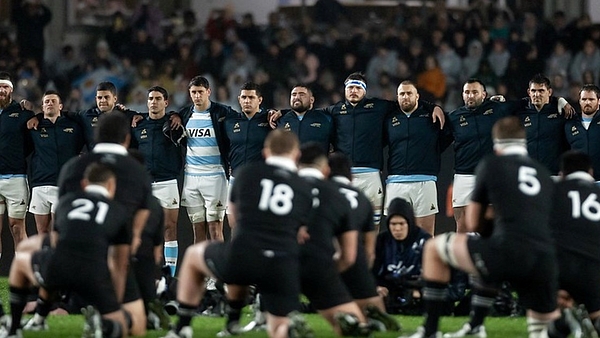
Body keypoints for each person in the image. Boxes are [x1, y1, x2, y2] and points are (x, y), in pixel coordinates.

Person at [402, 116, 559, 338]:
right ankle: (476, 325)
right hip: (544, 260)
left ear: (496, 144)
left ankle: (430, 330)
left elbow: (473, 222)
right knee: (541, 331)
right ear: (524, 143)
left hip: (506, 252)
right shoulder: (543, 172)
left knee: (435, 249)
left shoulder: (491, 164)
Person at [162, 130, 314, 338]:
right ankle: (276, 327)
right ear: (296, 155)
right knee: (278, 326)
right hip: (282, 265)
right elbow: (304, 233)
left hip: (244, 256)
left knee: (194, 256)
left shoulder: (247, 174)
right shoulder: (305, 187)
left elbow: (235, 220)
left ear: (266, 153)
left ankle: (184, 327)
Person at [1, 163, 132, 338]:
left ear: (84, 184)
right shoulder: (119, 211)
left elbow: (54, 245)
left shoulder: (67, 203)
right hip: (95, 277)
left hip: (59, 272)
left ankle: (15, 328)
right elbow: (120, 262)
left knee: (23, 260)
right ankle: (103, 324)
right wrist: (113, 300)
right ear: (111, 185)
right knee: (125, 326)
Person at [58, 113, 153, 335]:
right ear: (127, 139)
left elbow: (59, 220)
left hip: (70, 261)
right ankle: (108, 319)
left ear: (95, 136)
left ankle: (37, 311)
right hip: (113, 261)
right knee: (136, 327)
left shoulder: (73, 167)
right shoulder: (137, 172)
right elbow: (136, 233)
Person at [296, 143, 371, 336]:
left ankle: (259, 314)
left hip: (277, 264)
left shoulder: (279, 186)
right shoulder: (338, 196)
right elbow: (349, 256)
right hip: (319, 264)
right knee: (359, 324)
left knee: (277, 317)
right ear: (325, 169)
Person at [329, 152, 401, 332]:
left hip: (321, 256)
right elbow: (370, 250)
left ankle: (273, 313)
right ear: (350, 175)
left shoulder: (323, 191)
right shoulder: (362, 199)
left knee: (321, 295)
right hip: (355, 257)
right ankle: (375, 314)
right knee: (368, 297)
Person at [444, 79, 516, 232]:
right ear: (463, 95)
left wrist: (559, 101)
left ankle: (491, 256)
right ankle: (463, 256)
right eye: (467, 92)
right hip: (463, 176)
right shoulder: (454, 118)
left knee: (492, 224)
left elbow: (524, 105)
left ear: (484, 94)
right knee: (462, 227)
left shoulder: (497, 109)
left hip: (490, 173)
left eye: (475, 92)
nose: (470, 95)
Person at [545, 151, 600, 338]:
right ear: (591, 172)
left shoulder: (552, 192)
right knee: (595, 312)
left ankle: (565, 321)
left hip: (561, 268)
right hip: (595, 268)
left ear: (562, 174)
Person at [384, 81, 449, 235]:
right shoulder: (388, 118)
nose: (405, 97)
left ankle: (425, 260)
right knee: (396, 233)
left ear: (417, 96)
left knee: (426, 233)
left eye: (409, 93)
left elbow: (447, 138)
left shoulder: (430, 117)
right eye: (402, 94)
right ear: (397, 97)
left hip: (425, 181)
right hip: (395, 182)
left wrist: (434, 107)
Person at [131, 86, 183, 275]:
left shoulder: (175, 123)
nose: (154, 102)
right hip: (145, 184)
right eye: (151, 98)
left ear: (166, 102)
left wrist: (177, 115)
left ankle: (170, 275)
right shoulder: (138, 125)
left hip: (167, 181)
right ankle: (147, 272)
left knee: (170, 228)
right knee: (143, 229)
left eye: (158, 98)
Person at [178, 76, 232, 243]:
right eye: (193, 92)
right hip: (191, 177)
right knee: (197, 230)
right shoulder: (184, 114)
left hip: (215, 176)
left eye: (200, 92)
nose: (197, 96)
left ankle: (218, 267)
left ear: (208, 92)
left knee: (215, 229)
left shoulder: (222, 113)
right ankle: (200, 269)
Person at [28, 90, 84, 234]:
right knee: (42, 231)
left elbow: (79, 149)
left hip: (62, 185)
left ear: (61, 106)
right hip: (40, 184)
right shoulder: (34, 127)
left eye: (53, 101)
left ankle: (59, 257)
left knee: (58, 230)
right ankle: (44, 257)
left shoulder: (74, 126)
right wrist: (37, 117)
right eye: (47, 101)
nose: (50, 103)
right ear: (42, 107)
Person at [373, 198, 431, 314]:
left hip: (417, 289)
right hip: (389, 289)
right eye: (393, 224)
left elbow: (433, 275)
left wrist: (420, 290)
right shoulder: (382, 240)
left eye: (401, 224)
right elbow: (372, 271)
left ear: (409, 223)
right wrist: (376, 287)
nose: (397, 229)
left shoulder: (425, 240)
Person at [0, 72, 35, 255]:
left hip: (15, 177)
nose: (1, 90)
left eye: (5, 87)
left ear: (11, 90)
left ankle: (23, 274)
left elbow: (32, 141)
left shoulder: (22, 113)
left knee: (16, 227)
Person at [515, 74, 571, 176]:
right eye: (533, 91)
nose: (537, 94)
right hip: (528, 174)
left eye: (541, 91)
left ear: (549, 92)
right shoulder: (520, 112)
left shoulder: (561, 112)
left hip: (554, 174)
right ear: (529, 92)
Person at [276, 84, 332, 151]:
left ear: (311, 100)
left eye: (302, 94)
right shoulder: (281, 119)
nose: (297, 97)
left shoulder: (324, 119)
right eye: (294, 94)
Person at [565, 84, 600, 181]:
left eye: (591, 99)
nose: (587, 102)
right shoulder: (569, 124)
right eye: (584, 99)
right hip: (577, 180)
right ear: (579, 101)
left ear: (599, 101)